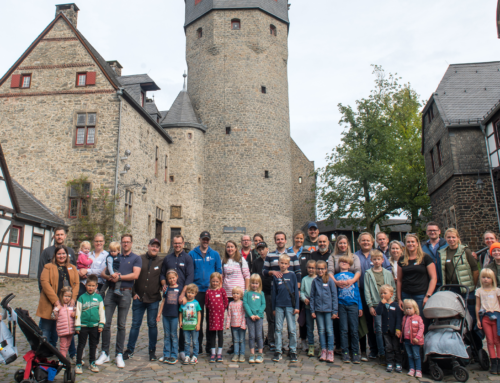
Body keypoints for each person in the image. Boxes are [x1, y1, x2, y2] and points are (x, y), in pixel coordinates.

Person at [97, 234, 141, 369]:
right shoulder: (114, 255)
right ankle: (105, 352)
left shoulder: (136, 258)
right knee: (106, 323)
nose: (125, 244)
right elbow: (103, 273)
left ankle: (119, 354)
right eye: (123, 242)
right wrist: (111, 276)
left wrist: (119, 277)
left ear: (131, 243)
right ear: (121, 243)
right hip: (111, 292)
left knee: (121, 325)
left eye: (128, 242)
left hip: (126, 292)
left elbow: (135, 275)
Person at [123, 238, 164, 362]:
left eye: (157, 247)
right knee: (135, 324)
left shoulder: (161, 261)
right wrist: (133, 293)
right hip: (139, 298)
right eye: (153, 246)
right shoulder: (139, 259)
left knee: (152, 325)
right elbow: (132, 276)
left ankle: (152, 351)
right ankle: (130, 349)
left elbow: (163, 277)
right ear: (148, 246)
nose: (154, 248)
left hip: (153, 299)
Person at [440, 228, 480, 348]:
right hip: (452, 289)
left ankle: (477, 347)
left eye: (453, 237)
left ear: (458, 238)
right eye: (449, 237)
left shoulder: (465, 251)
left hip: (466, 289)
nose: (451, 239)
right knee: (455, 318)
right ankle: (461, 345)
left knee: (471, 318)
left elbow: (475, 269)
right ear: (445, 238)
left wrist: (472, 285)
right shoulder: (442, 252)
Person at [355, 232, 391, 361]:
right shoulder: (355, 256)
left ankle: (384, 349)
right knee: (367, 322)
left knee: (382, 323)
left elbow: (388, 269)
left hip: (380, 294)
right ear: (359, 242)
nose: (366, 242)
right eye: (363, 240)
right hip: (363, 292)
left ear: (372, 242)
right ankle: (372, 349)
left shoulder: (377, 254)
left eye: (368, 240)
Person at [37, 245, 79, 350]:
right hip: (50, 302)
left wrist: (73, 298)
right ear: (55, 255)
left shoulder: (72, 267)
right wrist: (56, 301)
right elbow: (45, 283)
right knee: (46, 328)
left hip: (67, 304)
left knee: (66, 328)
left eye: (63, 253)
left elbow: (76, 283)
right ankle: (44, 351)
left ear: (67, 255)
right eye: (59, 254)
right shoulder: (48, 267)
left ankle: (67, 352)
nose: (61, 256)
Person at [160, 234, 194, 361]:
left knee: (183, 325)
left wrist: (183, 294)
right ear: (172, 244)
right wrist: (164, 285)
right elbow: (162, 274)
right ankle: (169, 352)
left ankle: (182, 350)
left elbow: (190, 277)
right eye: (175, 243)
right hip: (170, 297)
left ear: (183, 244)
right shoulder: (168, 258)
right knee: (171, 327)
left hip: (182, 296)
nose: (177, 245)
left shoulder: (188, 258)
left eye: (179, 243)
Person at [189, 231, 222, 355]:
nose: (205, 241)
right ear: (200, 239)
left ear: (209, 240)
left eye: (207, 239)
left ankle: (210, 345)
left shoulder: (215, 254)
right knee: (198, 319)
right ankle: (198, 345)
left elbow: (219, 272)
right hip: (197, 291)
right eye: (203, 239)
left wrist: (219, 288)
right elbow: (190, 272)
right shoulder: (192, 254)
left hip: (211, 291)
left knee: (210, 319)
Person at [364, 250, 395, 364]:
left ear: (383, 260)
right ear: (371, 261)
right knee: (378, 329)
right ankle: (381, 352)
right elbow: (367, 291)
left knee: (388, 328)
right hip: (376, 305)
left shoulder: (387, 273)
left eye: (379, 259)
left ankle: (389, 352)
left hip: (388, 304)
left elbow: (393, 288)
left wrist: (391, 301)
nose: (377, 261)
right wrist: (370, 305)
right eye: (374, 259)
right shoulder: (368, 274)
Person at [396, 234, 437, 318]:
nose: (410, 244)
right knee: (407, 320)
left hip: (420, 295)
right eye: (408, 242)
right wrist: (399, 299)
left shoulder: (425, 258)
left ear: (417, 243)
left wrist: (428, 296)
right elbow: (399, 280)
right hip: (406, 295)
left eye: (412, 242)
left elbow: (433, 278)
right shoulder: (402, 259)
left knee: (420, 320)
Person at [271, 254, 300, 363]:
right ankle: (278, 350)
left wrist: (297, 306)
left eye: (285, 263)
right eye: (281, 263)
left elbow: (296, 293)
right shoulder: (276, 276)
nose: (283, 265)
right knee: (278, 329)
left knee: (292, 329)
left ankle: (292, 350)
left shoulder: (292, 275)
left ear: (288, 264)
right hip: (279, 305)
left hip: (290, 306)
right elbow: (274, 293)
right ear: (279, 263)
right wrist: (273, 307)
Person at [75, 275, 105, 374]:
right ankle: (78, 363)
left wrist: (101, 324)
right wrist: (77, 325)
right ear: (85, 286)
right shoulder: (81, 298)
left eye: (93, 286)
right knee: (81, 345)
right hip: (83, 326)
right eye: (89, 285)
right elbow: (78, 312)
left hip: (94, 326)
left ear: (96, 286)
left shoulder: (99, 298)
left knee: (93, 345)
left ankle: (92, 362)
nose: (90, 288)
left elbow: (102, 312)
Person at [335, 256, 362, 364]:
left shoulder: (353, 276)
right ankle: (345, 351)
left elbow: (357, 291)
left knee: (354, 330)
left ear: (350, 265)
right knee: (343, 330)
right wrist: (335, 308)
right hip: (341, 305)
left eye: (346, 262)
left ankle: (355, 352)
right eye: (342, 262)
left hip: (353, 305)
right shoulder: (336, 276)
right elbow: (334, 293)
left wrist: (360, 306)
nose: (344, 263)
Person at [310, 260, 338, 364]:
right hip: (318, 310)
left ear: (326, 269)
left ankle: (330, 350)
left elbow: (334, 296)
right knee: (321, 330)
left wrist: (335, 311)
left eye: (322, 268)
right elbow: (312, 296)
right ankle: (323, 350)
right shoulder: (315, 281)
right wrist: (312, 310)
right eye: (318, 268)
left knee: (329, 330)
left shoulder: (330, 280)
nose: (320, 270)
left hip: (328, 310)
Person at [251, 241, 275, 351]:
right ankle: (259, 339)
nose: (261, 251)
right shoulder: (256, 262)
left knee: (271, 317)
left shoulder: (272, 260)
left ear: (267, 248)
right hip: (259, 293)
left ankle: (270, 339)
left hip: (270, 292)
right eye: (259, 249)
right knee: (258, 316)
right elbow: (255, 276)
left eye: (262, 249)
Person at [475, 268, 500, 375]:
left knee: (497, 340)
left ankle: (499, 361)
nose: (486, 279)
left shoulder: (497, 290)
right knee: (489, 341)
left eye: (488, 277)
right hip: (485, 318)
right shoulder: (479, 291)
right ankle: (493, 362)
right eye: (483, 277)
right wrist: (477, 319)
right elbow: (477, 305)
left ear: (492, 279)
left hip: (496, 316)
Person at [292, 229, 312, 351]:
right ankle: (291, 339)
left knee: (303, 315)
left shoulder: (308, 253)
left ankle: (304, 339)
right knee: (289, 313)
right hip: (290, 287)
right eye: (297, 238)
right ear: (293, 238)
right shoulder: (288, 252)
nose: (299, 240)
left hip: (303, 288)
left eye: (301, 238)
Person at [375, 284, 403, 374]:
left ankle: (398, 363)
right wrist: (381, 303)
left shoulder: (395, 305)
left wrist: (398, 329)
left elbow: (399, 318)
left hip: (394, 330)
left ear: (391, 294)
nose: (383, 295)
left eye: (385, 293)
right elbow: (378, 312)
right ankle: (389, 362)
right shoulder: (382, 305)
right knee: (388, 347)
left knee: (396, 347)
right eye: (381, 293)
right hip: (385, 331)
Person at [157, 269, 181, 365]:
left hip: (174, 315)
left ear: (176, 277)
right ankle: (166, 354)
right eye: (170, 278)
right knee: (166, 335)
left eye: (173, 278)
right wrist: (159, 313)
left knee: (173, 335)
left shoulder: (179, 288)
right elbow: (163, 301)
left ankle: (174, 355)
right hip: (166, 314)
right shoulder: (166, 289)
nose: (172, 280)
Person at [205, 272, 228, 363]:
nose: (215, 283)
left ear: (220, 282)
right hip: (212, 315)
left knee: (220, 334)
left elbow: (225, 302)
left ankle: (219, 352)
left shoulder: (222, 290)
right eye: (213, 281)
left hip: (220, 315)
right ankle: (213, 352)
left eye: (216, 281)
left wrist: (222, 308)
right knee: (213, 334)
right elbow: (206, 303)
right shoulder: (208, 291)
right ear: (210, 281)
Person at [244, 274, 266, 364]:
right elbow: (245, 304)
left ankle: (260, 353)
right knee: (251, 336)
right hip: (250, 317)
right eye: (253, 283)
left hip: (258, 317)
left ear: (259, 284)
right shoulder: (247, 293)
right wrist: (250, 315)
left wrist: (259, 314)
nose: (254, 285)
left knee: (259, 335)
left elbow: (263, 304)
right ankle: (252, 354)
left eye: (256, 283)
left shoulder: (261, 293)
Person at [180, 284, 202, 365]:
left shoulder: (196, 303)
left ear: (195, 294)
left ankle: (195, 356)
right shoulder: (184, 303)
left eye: (192, 293)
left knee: (195, 341)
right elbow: (181, 313)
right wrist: (180, 321)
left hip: (194, 325)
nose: (190, 294)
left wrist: (198, 324)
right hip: (186, 326)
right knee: (186, 341)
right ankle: (187, 355)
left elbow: (199, 313)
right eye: (188, 292)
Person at [401, 299, 424, 378]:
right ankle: (412, 369)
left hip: (415, 340)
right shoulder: (404, 318)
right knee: (410, 355)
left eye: (410, 308)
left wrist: (417, 337)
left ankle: (418, 370)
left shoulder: (418, 318)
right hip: (407, 339)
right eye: (406, 308)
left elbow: (421, 329)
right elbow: (403, 327)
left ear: (415, 308)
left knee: (416, 355)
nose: (408, 310)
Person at [421, 222, 448, 290]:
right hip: (428, 284)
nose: (432, 232)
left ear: (439, 231)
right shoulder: (422, 247)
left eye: (434, 230)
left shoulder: (446, 245)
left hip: (445, 283)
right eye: (430, 230)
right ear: (427, 232)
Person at [225, 286, 247, 363]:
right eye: (234, 293)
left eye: (237, 293)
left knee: (242, 340)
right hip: (234, 325)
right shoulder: (231, 304)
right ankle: (236, 353)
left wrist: (243, 324)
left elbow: (244, 314)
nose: (235, 295)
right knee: (236, 340)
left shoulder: (242, 303)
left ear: (241, 295)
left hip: (241, 325)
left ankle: (242, 354)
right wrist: (227, 324)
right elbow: (229, 315)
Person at [53, 286, 75, 359]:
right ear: (61, 295)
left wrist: (75, 313)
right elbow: (53, 316)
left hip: (70, 330)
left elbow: (76, 314)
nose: (67, 298)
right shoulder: (59, 305)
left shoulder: (72, 305)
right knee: (63, 345)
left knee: (67, 345)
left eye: (69, 296)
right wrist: (56, 310)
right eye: (65, 296)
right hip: (62, 330)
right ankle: (62, 359)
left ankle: (63, 357)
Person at [300, 260, 316, 357]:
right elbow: (302, 291)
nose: (311, 269)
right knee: (309, 327)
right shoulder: (304, 279)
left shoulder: (318, 279)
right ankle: (311, 345)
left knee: (321, 328)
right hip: (308, 306)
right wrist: (304, 299)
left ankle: (323, 346)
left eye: (313, 267)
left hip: (318, 307)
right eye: (309, 267)